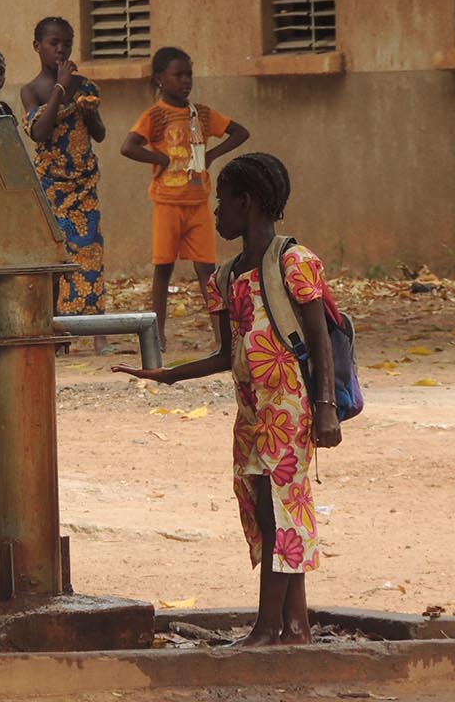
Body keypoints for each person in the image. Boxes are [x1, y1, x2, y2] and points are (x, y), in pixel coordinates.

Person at [111, 153, 340, 647]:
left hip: (292, 407)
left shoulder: (295, 263)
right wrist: (167, 376)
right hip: (252, 411)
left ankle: (266, 628)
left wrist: (326, 408)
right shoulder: (225, 277)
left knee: (280, 510)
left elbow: (321, 343)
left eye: (221, 204)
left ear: (246, 202)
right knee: (267, 509)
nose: (215, 214)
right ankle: (293, 627)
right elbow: (225, 353)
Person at [121, 46, 250, 351]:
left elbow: (240, 132)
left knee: (207, 270)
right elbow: (128, 147)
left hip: (198, 203)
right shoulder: (155, 116)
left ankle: (221, 339)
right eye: (178, 75)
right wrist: (160, 159)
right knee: (163, 269)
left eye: (189, 74)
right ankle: (157, 335)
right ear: (160, 78)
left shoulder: (202, 114)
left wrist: (212, 155)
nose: (186, 81)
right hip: (167, 202)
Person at [21, 17, 110, 353]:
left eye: (66, 44)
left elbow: (99, 134)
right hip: (51, 188)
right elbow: (38, 132)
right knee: (56, 258)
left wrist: (88, 111)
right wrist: (60, 88)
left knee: (90, 253)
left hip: (83, 185)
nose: (61, 49)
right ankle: (59, 334)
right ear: (37, 46)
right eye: (54, 43)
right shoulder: (31, 90)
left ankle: (98, 334)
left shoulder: (85, 86)